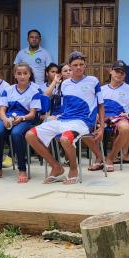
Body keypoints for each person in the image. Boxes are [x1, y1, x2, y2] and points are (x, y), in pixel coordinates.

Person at [26, 51, 104, 184]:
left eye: (81, 64)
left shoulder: (93, 81)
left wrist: (101, 127)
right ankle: (56, 167)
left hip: (83, 122)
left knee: (65, 138)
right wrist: (56, 117)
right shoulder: (65, 84)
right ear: (70, 66)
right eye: (75, 65)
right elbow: (64, 106)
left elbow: (101, 105)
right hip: (64, 119)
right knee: (30, 135)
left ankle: (73, 169)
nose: (78, 67)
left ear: (85, 65)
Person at [0, 63, 42, 183]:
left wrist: (22, 118)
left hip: (26, 120)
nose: (22, 76)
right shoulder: (8, 90)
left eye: (25, 73)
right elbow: (2, 110)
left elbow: (32, 114)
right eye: (19, 73)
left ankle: (22, 169)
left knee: (16, 134)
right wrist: (5, 119)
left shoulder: (34, 91)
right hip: (8, 118)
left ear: (30, 75)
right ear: (15, 75)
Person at [101, 60, 129, 170]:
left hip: (119, 118)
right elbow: (96, 108)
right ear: (111, 71)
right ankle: (98, 158)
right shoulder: (101, 89)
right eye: (117, 71)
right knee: (88, 127)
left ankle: (110, 158)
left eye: (122, 72)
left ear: (125, 75)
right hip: (103, 118)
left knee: (125, 128)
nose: (119, 74)